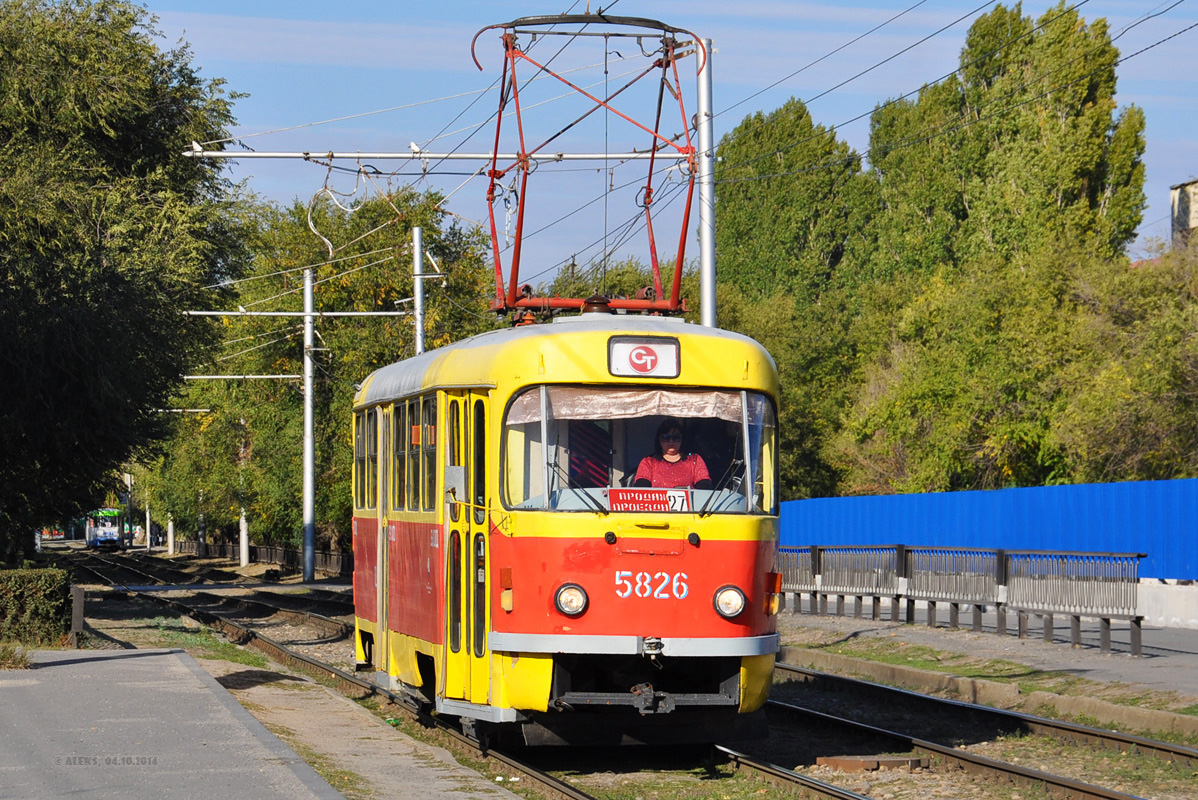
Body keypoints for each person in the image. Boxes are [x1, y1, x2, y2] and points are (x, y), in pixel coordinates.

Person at [633, 418, 713, 489]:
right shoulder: (649, 462)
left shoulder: (694, 459)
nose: (671, 441)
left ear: (682, 439)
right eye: (666, 438)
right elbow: (641, 490)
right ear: (659, 439)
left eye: (676, 438)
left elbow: (704, 486)